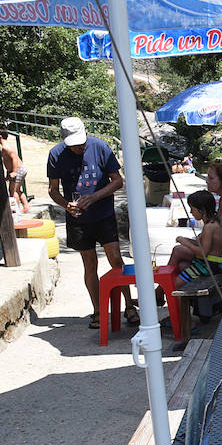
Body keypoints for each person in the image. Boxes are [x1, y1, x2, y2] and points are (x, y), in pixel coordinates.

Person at [47, 117, 129, 329]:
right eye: (74, 145)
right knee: (89, 263)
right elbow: (53, 190)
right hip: (78, 219)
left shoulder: (100, 147)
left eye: (81, 143)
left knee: (116, 259)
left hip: (103, 214)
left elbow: (117, 181)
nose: (79, 148)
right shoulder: (55, 155)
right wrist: (66, 205)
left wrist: (95, 197)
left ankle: (129, 306)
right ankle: (98, 311)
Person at [170, 190, 222, 283]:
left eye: (192, 209)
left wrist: (185, 243)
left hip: (208, 266)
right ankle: (163, 289)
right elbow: (204, 244)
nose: (190, 212)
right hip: (210, 263)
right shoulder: (213, 223)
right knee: (182, 265)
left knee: (176, 283)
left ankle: (162, 288)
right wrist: (188, 240)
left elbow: (203, 253)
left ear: (202, 210)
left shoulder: (209, 227)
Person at [0, 129, 27, 214]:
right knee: (18, 190)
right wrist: (8, 174)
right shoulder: (6, 146)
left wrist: (14, 171)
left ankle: (16, 209)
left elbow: (14, 158)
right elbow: (7, 162)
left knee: (13, 191)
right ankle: (26, 206)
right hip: (19, 169)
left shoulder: (5, 147)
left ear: (0, 137)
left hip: (18, 169)